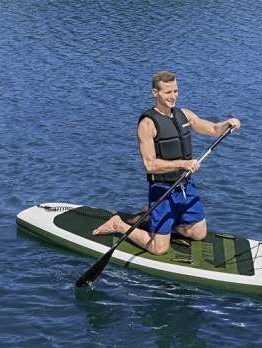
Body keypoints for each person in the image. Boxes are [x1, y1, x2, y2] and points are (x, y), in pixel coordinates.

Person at [92, 71, 241, 255]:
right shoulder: (147, 123)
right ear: (155, 93)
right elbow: (149, 165)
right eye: (168, 92)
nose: (173, 96)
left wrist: (228, 124)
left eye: (175, 91)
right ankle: (119, 224)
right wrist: (182, 164)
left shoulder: (184, 115)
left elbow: (213, 129)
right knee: (159, 248)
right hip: (162, 189)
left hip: (185, 187)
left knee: (198, 233)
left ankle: (150, 218)